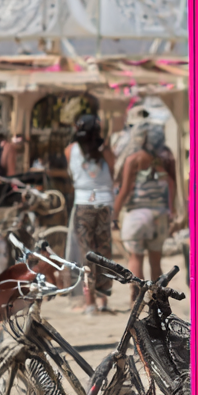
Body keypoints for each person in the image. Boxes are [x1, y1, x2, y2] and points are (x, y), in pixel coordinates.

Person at [112, 119, 176, 292]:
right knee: (156, 263)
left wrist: (114, 215)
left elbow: (124, 190)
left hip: (137, 216)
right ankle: (158, 299)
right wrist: (172, 212)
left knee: (135, 259)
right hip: (160, 216)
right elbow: (172, 185)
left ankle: (136, 298)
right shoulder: (166, 159)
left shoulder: (133, 159)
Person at [68, 113, 117, 315]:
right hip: (104, 202)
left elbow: (72, 174)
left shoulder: (70, 149)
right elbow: (114, 170)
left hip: (83, 203)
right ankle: (103, 298)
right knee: (104, 251)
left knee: (86, 253)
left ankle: (90, 303)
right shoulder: (105, 150)